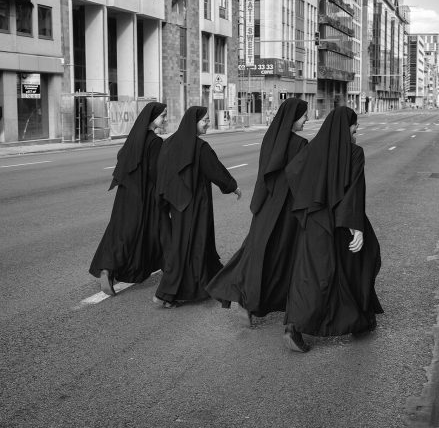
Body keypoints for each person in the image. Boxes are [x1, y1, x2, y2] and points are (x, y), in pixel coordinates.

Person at [283, 106, 383, 352]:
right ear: (345, 127)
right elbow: (354, 191)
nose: (356, 131)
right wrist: (356, 227)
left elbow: (292, 171)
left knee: (314, 274)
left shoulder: (313, 149)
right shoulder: (354, 152)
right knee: (361, 260)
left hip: (315, 221)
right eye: (354, 127)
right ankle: (360, 318)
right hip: (340, 222)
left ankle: (295, 326)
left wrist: (308, 204)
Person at [206, 98, 309, 324]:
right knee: (283, 255)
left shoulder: (270, 138)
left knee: (255, 251)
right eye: (303, 116)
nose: (307, 119)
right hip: (287, 210)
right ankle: (279, 302)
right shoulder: (300, 145)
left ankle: (245, 298)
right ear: (293, 118)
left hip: (265, 206)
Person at [153, 106, 242, 308]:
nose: (208, 123)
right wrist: (233, 186)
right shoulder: (200, 147)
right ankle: (165, 293)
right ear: (193, 123)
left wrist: (166, 198)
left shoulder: (169, 143)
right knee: (190, 245)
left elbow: (162, 171)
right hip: (196, 204)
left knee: (191, 244)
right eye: (205, 120)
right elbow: (215, 171)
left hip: (176, 204)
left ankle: (207, 283)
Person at [89, 102, 168, 296]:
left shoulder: (134, 138)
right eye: (163, 116)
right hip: (144, 194)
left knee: (119, 231)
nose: (165, 119)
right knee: (156, 230)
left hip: (125, 193)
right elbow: (155, 172)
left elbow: (122, 158)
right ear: (152, 118)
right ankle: (174, 269)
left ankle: (107, 269)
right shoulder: (155, 141)